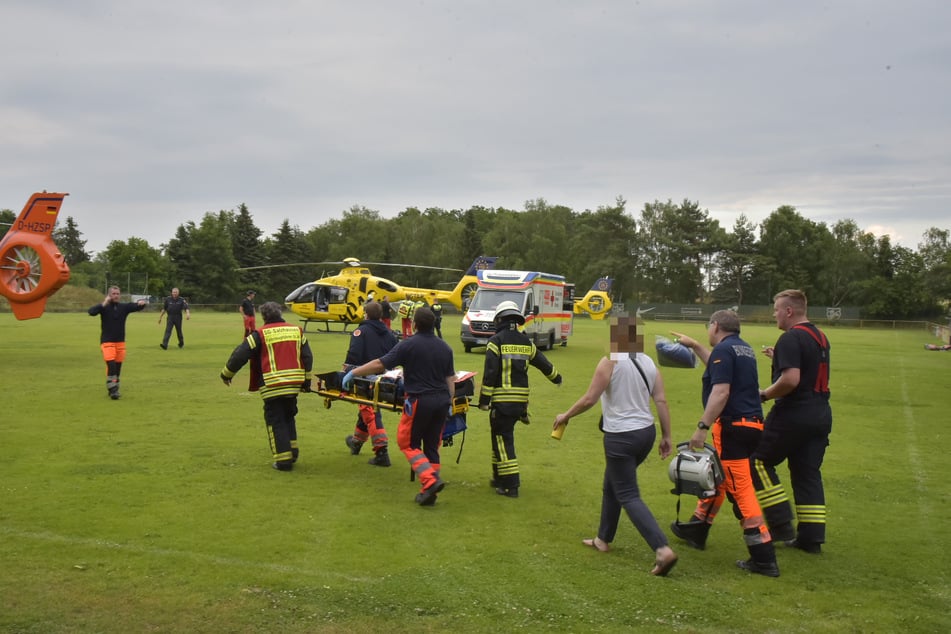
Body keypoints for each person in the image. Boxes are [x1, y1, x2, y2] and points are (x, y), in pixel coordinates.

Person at [552, 315, 678, 576]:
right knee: (613, 484)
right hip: (646, 433)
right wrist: (667, 436)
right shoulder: (648, 362)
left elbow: (589, 399)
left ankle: (662, 549)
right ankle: (603, 539)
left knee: (628, 493)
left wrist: (565, 415)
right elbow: (662, 401)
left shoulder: (610, 360)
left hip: (621, 436)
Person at [670, 310, 780, 577]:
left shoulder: (723, 350)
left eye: (708, 328)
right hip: (751, 424)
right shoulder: (742, 349)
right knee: (719, 478)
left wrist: (702, 427)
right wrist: (696, 345)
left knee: (739, 489)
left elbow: (721, 391)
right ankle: (698, 528)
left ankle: (763, 556)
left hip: (733, 426)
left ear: (715, 325)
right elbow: (719, 370)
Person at [342, 306, 454, 506]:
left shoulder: (409, 345)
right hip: (442, 401)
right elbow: (450, 379)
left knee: (408, 443)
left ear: (414, 324)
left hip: (420, 400)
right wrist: (450, 405)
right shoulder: (445, 347)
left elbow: (379, 365)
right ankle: (430, 493)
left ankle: (430, 480)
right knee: (430, 446)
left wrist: (354, 372)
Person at [754, 289, 832, 554]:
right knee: (806, 473)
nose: (774, 314)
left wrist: (763, 394)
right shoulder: (819, 336)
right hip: (821, 413)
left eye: (776, 309)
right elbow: (807, 367)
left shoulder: (790, 337)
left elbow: (791, 380)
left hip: (794, 413)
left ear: (788, 311)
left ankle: (779, 522)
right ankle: (811, 538)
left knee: (757, 460)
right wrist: (779, 356)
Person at [478, 300, 562, 498]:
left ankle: (511, 485)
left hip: (502, 402)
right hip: (520, 404)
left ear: (499, 319)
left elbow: (490, 373)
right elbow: (544, 364)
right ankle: (497, 477)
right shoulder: (526, 342)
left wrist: (484, 400)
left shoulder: (495, 341)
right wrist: (557, 377)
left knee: (503, 439)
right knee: (498, 438)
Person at [220, 301, 314, 471]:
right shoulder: (297, 330)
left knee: (275, 420)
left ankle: (283, 460)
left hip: (273, 384)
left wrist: (226, 374)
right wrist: (306, 381)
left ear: (263, 316)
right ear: (280, 313)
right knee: (288, 417)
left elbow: (240, 354)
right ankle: (292, 452)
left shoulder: (260, 334)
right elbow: (307, 356)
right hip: (293, 384)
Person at [342, 301, 399, 467]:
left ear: (365, 314)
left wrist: (347, 371)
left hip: (364, 379)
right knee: (365, 409)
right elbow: (395, 354)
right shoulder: (389, 333)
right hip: (387, 379)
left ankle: (382, 451)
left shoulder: (361, 331)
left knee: (370, 411)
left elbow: (354, 354)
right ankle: (356, 442)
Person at [88, 286, 147, 400]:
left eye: (118, 293)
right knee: (111, 365)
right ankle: (113, 390)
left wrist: (141, 303)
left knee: (118, 367)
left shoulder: (123, 307)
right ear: (109, 295)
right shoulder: (104, 307)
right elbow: (91, 312)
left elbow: (136, 306)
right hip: (107, 341)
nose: (116, 295)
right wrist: (103, 303)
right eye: (114, 293)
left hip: (120, 342)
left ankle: (113, 387)